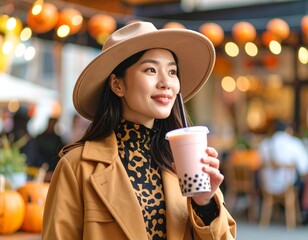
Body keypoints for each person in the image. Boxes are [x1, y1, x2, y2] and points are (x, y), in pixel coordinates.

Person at [42, 21, 236, 240]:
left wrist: (205, 203)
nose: (166, 83)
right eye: (151, 69)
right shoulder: (77, 167)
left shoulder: (186, 161)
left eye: (172, 72)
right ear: (117, 85)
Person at [258, 119, 308, 223]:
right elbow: (304, 169)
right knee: (303, 182)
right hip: (287, 186)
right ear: (288, 130)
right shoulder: (294, 143)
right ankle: (302, 215)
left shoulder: (264, 144)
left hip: (266, 186)